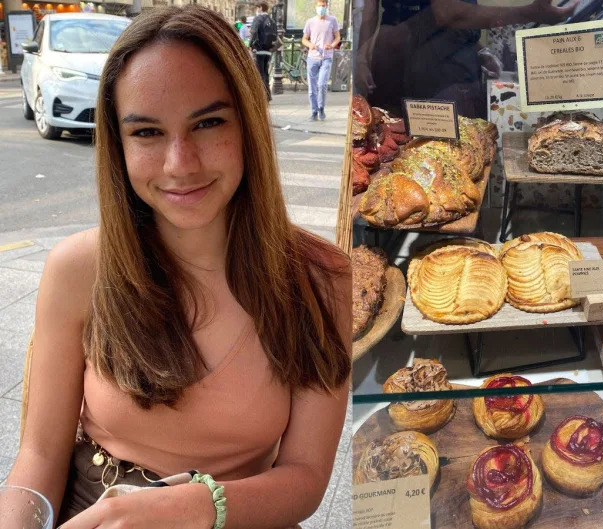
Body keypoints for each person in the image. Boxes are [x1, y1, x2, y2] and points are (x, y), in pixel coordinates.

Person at [6, 5, 351, 529]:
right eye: (146, 133)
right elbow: (37, 459)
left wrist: (193, 508)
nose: (180, 164)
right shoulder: (78, 270)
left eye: (208, 122)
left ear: (249, 124)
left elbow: (304, 477)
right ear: (118, 146)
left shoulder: (323, 280)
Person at [355, 0, 578, 118]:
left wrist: (479, 49)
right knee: (425, 150)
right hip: (417, 59)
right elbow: (447, 12)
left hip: (417, 52)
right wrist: (530, 13)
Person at [302, 0, 340, 121]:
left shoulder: (332, 20)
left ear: (326, 6)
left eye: (323, 6)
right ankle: (314, 112)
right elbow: (304, 39)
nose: (321, 8)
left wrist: (332, 45)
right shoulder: (310, 22)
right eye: (319, 6)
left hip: (326, 57)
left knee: (322, 84)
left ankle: (321, 108)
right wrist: (310, 45)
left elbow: (337, 37)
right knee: (312, 88)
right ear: (315, 6)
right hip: (312, 57)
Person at [250, 2, 277, 101]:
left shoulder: (258, 19)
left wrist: (251, 45)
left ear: (260, 8)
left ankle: (262, 96)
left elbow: (253, 32)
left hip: (259, 49)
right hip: (268, 50)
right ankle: (267, 95)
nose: (257, 9)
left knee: (260, 73)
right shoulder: (272, 20)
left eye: (257, 7)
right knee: (266, 72)